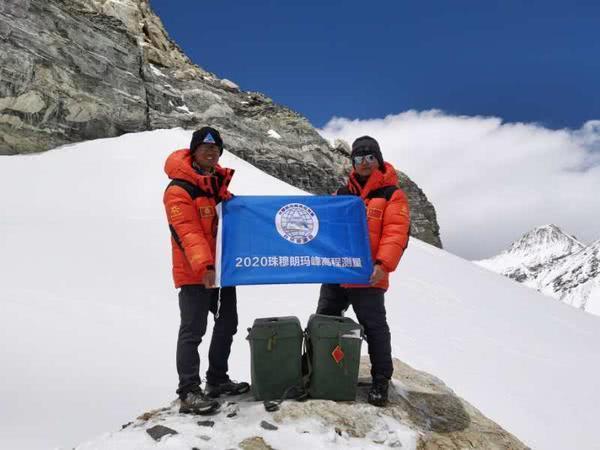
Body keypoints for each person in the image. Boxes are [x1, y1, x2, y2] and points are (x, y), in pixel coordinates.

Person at [316, 135, 410, 407]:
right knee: (324, 321)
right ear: (353, 162)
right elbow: (325, 228)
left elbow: (397, 233)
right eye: (359, 158)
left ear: (378, 160)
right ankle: (322, 372)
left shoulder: (392, 195)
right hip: (337, 273)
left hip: (368, 275)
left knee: (374, 327)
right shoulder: (341, 193)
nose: (365, 162)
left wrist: (383, 265)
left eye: (370, 157)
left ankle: (381, 379)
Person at [163, 126, 249, 415]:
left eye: (216, 148)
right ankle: (188, 391)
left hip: (223, 272)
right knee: (193, 330)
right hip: (194, 273)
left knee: (228, 323)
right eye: (205, 147)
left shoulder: (218, 188)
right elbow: (186, 232)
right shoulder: (179, 189)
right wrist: (205, 266)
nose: (211, 152)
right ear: (194, 151)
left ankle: (217, 380)